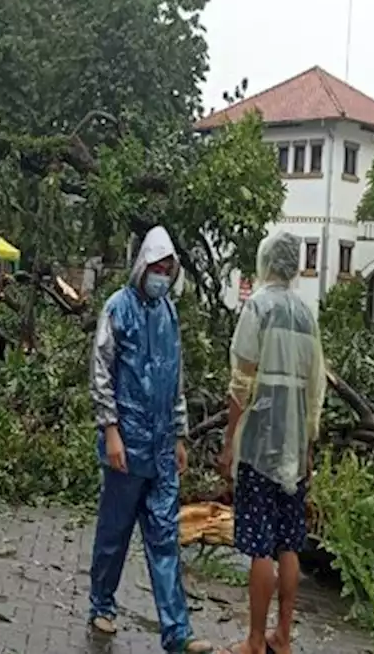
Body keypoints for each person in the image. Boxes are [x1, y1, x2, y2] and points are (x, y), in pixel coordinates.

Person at [88, 226, 213, 654]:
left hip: (160, 447)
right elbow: (101, 373)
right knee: (114, 532)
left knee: (164, 538)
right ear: (142, 266)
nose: (161, 275)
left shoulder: (168, 313)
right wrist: (111, 431)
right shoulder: (117, 308)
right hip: (126, 442)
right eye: (156, 267)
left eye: (167, 269)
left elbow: (175, 377)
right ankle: (101, 604)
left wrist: (180, 434)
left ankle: (177, 633)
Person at [218, 231, 326, 654]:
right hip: (295, 449)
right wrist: (309, 448)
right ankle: (283, 637)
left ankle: (253, 641)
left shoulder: (258, 307)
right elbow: (314, 390)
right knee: (288, 542)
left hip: (260, 446)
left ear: (266, 262)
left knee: (260, 545)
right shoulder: (306, 315)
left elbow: (241, 382)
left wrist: (229, 441)